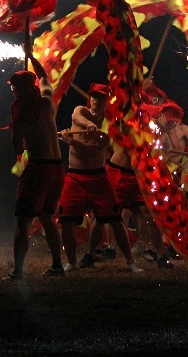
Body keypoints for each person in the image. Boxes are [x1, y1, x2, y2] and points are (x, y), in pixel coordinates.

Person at [58, 83, 143, 273]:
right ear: (90, 98)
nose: (97, 100)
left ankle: (130, 262)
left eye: (102, 97)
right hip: (74, 175)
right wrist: (88, 124)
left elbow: (95, 149)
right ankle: (71, 262)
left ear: (107, 101)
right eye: (95, 96)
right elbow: (76, 117)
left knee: (115, 218)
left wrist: (70, 141)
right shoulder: (80, 111)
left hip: (98, 177)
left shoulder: (109, 123)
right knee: (66, 220)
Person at [4, 43, 66, 280]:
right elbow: (44, 76)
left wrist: (22, 148)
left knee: (23, 220)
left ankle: (18, 271)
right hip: (58, 167)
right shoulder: (47, 101)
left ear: (17, 90)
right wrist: (31, 56)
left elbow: (17, 145)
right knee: (47, 217)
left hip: (39, 168)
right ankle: (57, 265)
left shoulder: (22, 112)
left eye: (13, 89)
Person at [107, 142, 173, 268]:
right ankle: (96, 252)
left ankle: (161, 256)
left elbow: (162, 150)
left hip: (139, 174)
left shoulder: (158, 130)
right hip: (119, 172)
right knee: (110, 214)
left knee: (150, 214)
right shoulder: (132, 124)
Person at [154, 100, 188, 193]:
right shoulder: (156, 126)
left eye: (175, 121)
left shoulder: (183, 129)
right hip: (159, 168)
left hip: (174, 169)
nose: (173, 124)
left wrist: (183, 166)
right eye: (171, 121)